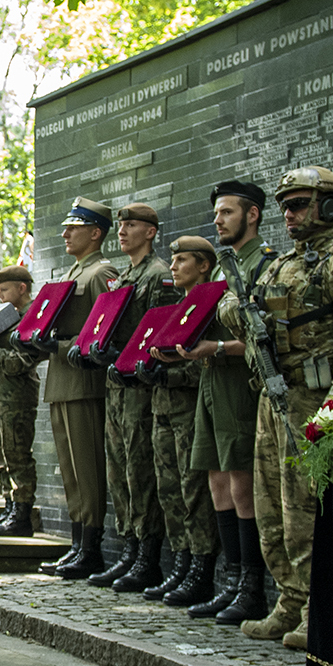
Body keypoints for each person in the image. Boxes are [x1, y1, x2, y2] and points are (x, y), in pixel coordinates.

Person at [241, 167, 333, 651]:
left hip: (314, 401)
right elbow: (243, 309)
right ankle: (290, 601)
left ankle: (317, 610)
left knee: (305, 510)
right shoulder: (281, 266)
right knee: (271, 509)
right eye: (285, 206)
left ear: (330, 206)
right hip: (275, 395)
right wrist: (239, 312)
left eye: (299, 204)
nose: (289, 214)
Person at [174, 180, 273, 618]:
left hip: (240, 384)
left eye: (227, 212)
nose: (218, 220)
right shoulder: (219, 270)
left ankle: (251, 588)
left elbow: (265, 338)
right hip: (212, 382)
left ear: (252, 215)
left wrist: (216, 348)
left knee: (241, 484)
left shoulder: (265, 265)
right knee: (217, 481)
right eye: (216, 213)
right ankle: (231, 581)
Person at [36, 198, 117, 580]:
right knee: (70, 470)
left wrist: (61, 345)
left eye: (75, 228)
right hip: (61, 378)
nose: (65, 233)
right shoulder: (73, 271)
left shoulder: (102, 273)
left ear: (96, 233)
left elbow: (104, 330)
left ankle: (90, 548)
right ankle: (77, 543)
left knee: (87, 468)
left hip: (84, 380)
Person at [90, 203, 168, 590]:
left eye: (131, 225)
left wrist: (126, 356)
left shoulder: (158, 275)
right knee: (119, 469)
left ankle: (146, 558)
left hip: (140, 388)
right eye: (120, 225)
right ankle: (128, 550)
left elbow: (158, 333)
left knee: (140, 471)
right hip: (118, 385)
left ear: (150, 232)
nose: (122, 231)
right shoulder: (124, 276)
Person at [141, 234, 216, 600]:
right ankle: (181, 562)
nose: (173, 267)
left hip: (190, 410)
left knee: (193, 490)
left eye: (182, 260)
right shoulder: (175, 307)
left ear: (203, 265)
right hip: (163, 407)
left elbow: (204, 363)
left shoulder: (210, 306)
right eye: (172, 260)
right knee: (169, 489)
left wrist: (168, 375)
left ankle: (201, 568)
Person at [0, 266, 41, 537]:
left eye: (4, 290)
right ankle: (10, 506)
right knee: (0, 454)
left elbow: (22, 361)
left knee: (17, 455)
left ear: (22, 288)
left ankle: (22, 514)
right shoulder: (7, 315)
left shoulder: (32, 316)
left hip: (16, 397)